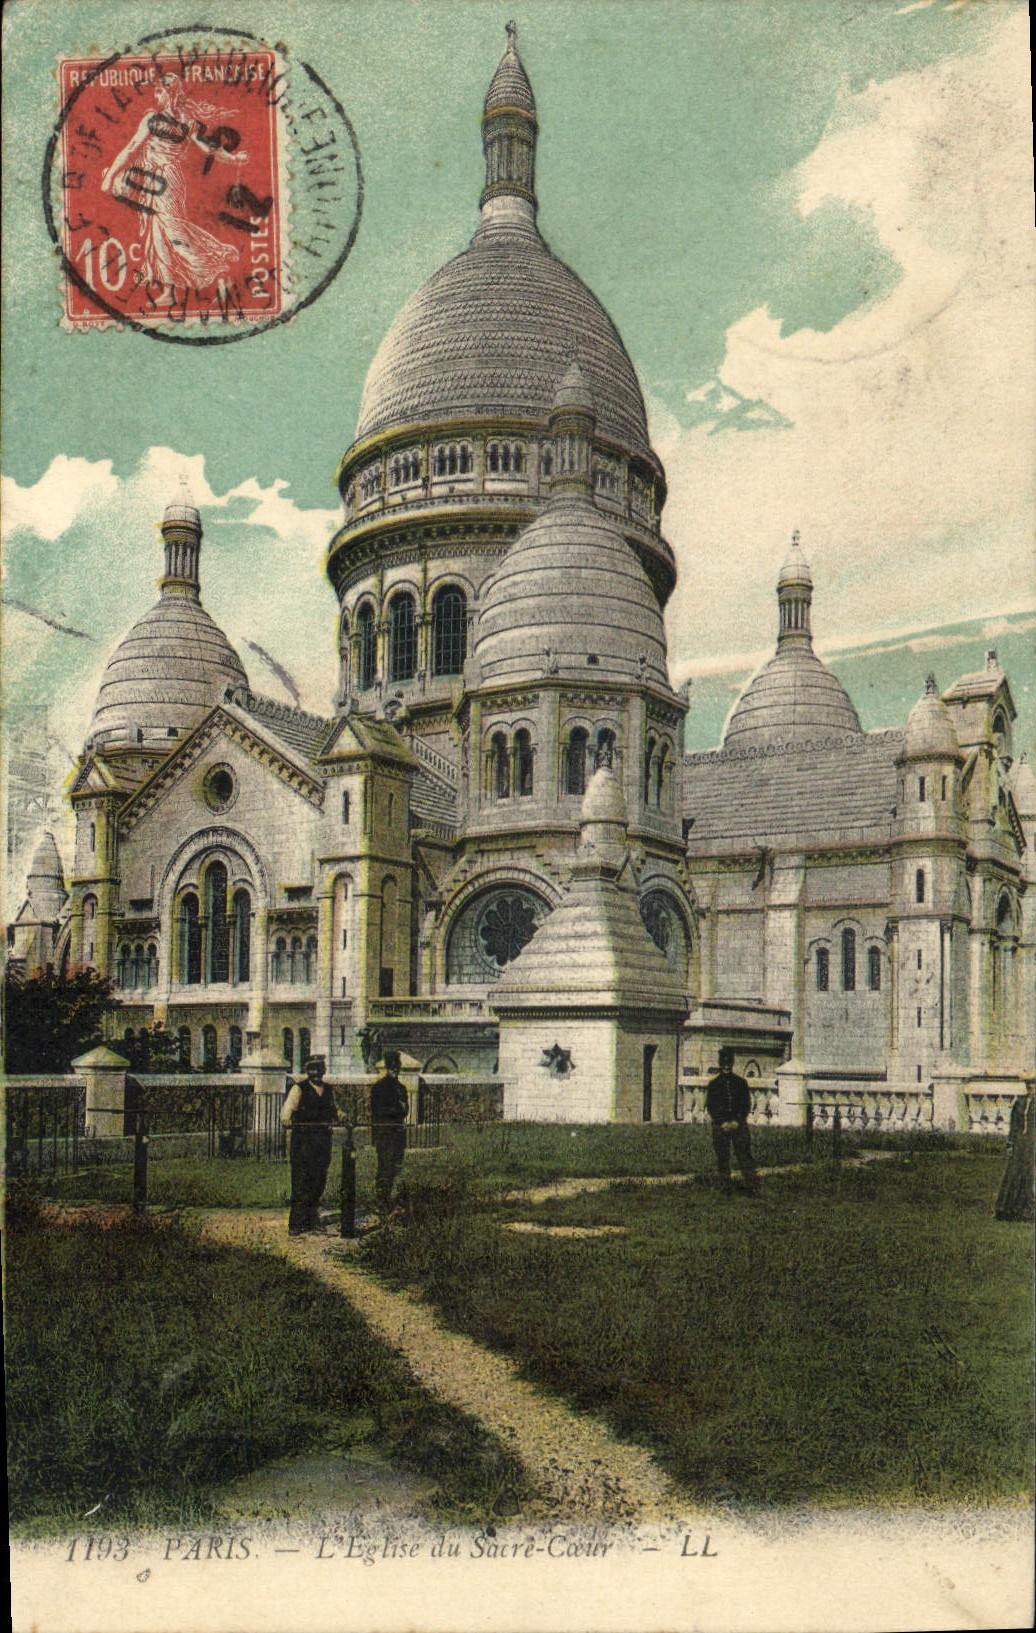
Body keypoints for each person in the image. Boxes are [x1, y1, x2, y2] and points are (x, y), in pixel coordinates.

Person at [281, 1055, 335, 1234]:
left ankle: (312, 1220)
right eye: (313, 1069)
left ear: (324, 1071)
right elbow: (287, 1110)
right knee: (301, 1181)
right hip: (303, 1143)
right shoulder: (299, 1089)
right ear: (307, 1071)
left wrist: (342, 1115)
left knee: (318, 1181)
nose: (317, 1073)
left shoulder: (328, 1090)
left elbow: (335, 1109)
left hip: (322, 1143)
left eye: (320, 1069)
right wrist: (287, 1119)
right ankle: (296, 1223)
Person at [705, 1047, 759, 1196]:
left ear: (733, 1063)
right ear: (720, 1064)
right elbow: (711, 1106)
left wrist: (737, 1121)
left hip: (738, 1124)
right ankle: (725, 1187)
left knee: (744, 1155)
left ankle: (752, 1186)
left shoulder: (741, 1083)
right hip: (720, 1125)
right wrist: (722, 1122)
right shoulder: (714, 1084)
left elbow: (745, 1105)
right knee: (722, 1157)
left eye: (729, 1063)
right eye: (724, 1063)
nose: (726, 1066)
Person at [370, 1049, 409, 1212]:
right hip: (385, 1133)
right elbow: (379, 1111)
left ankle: (387, 1198)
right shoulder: (379, 1087)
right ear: (387, 1067)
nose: (394, 1069)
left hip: (398, 1133)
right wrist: (397, 1108)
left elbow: (405, 1110)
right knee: (385, 1166)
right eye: (391, 1066)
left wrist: (398, 1108)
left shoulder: (401, 1087)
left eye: (397, 1066)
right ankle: (381, 1201)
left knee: (395, 1167)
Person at [995, 1093, 1034, 1222]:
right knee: (1013, 1173)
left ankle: (1026, 1210)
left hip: (1032, 1143)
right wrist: (1010, 1145)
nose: (1031, 1087)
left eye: (1033, 1084)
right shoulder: (1019, 1103)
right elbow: (1013, 1127)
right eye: (1028, 1084)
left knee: (1029, 1174)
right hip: (1019, 1143)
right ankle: (1006, 1208)